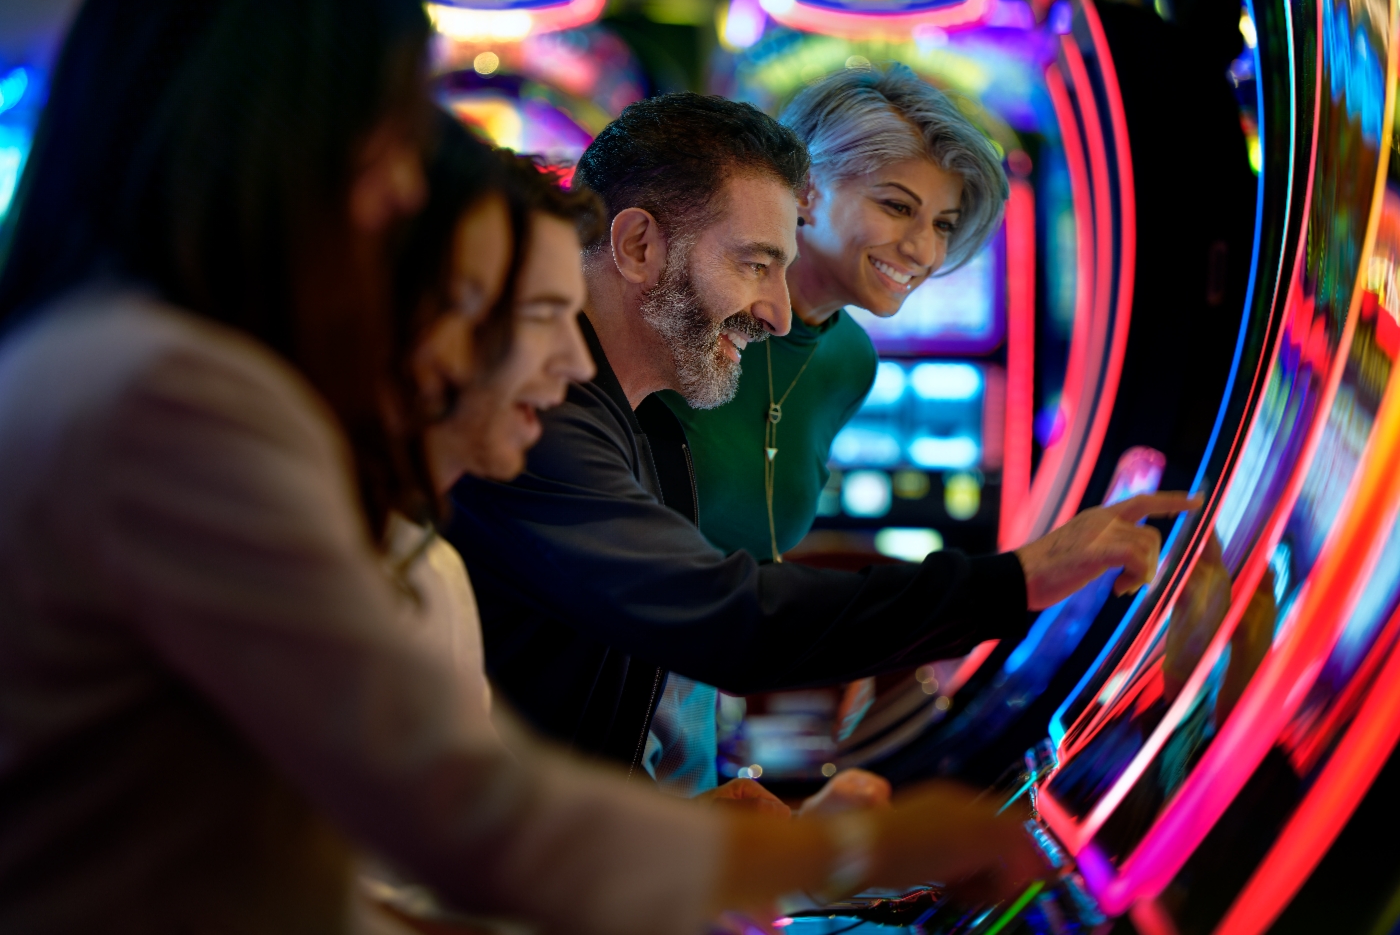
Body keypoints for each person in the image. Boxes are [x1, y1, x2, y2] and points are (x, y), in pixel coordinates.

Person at [0, 0, 1048, 926]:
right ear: (269, 138)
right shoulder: (169, 395)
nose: (411, 182)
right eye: (391, 126)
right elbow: (454, 820)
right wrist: (832, 857)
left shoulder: (116, 360)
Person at [445, 92, 1197, 786]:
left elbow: (693, 620)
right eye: (757, 262)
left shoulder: (784, 365)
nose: (775, 314)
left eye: (943, 224)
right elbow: (718, 615)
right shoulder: (542, 406)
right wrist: (1015, 581)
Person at [646, 64, 1010, 796]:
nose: (925, 250)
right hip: (598, 672)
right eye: (897, 206)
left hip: (698, 694)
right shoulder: (687, 318)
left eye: (941, 224)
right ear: (804, 191)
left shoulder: (849, 360)